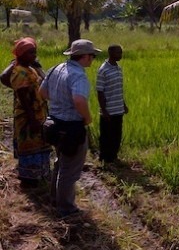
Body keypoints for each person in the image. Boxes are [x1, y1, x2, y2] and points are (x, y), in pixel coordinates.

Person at [39, 39, 101, 217]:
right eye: (92, 55)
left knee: (60, 162)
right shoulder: (78, 76)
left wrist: (59, 102)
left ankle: (55, 198)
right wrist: (87, 118)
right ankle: (66, 208)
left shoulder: (56, 69)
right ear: (85, 56)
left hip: (54, 124)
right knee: (69, 169)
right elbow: (79, 100)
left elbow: (42, 92)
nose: (93, 59)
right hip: (72, 128)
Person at [8, 38, 52, 187]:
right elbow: (23, 98)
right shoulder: (19, 71)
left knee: (39, 143)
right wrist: (32, 119)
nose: (34, 55)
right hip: (28, 117)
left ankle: (39, 174)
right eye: (30, 53)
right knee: (29, 144)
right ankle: (29, 177)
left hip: (38, 114)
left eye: (34, 52)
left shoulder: (30, 68)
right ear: (20, 55)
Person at [96, 44, 128, 164]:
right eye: (118, 52)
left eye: (121, 52)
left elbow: (118, 89)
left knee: (116, 135)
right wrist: (104, 110)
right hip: (108, 110)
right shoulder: (103, 70)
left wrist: (123, 105)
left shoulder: (118, 68)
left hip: (118, 109)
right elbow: (100, 92)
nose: (120, 55)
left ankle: (113, 157)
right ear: (110, 54)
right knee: (106, 136)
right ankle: (104, 158)